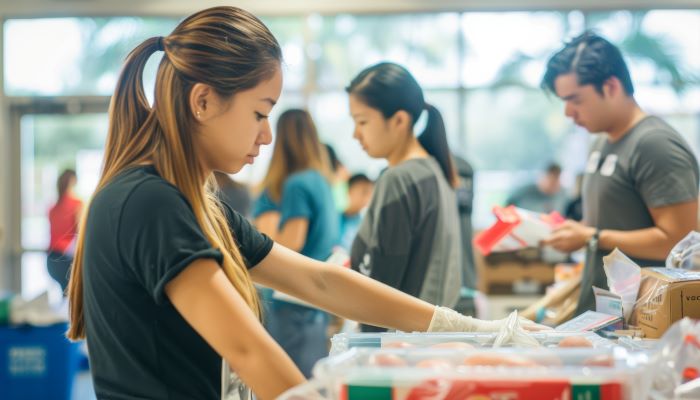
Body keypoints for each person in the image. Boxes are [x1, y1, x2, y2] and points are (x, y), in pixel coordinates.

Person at [66, 7, 545, 400]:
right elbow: (248, 351)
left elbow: (318, 279)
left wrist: (470, 328)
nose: (267, 134)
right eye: (259, 112)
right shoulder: (149, 202)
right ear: (204, 102)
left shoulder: (193, 205)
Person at [541, 31, 699, 315]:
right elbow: (604, 223)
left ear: (611, 86)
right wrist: (569, 231)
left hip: (644, 320)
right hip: (602, 313)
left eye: (575, 99)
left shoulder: (654, 144)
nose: (568, 112)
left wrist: (592, 236)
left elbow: (680, 242)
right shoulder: (600, 141)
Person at [347, 62, 464, 332]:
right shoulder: (436, 170)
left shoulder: (398, 179)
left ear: (399, 120)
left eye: (362, 121)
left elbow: (381, 290)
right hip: (425, 339)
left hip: (397, 343)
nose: (356, 134)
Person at [253, 109, 338, 377]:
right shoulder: (322, 181)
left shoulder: (296, 185)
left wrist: (253, 235)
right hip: (314, 302)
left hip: (291, 303)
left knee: (294, 385)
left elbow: (291, 243)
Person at [47, 169, 83, 294]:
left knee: (65, 296)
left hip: (51, 260)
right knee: (72, 299)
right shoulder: (77, 204)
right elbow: (80, 234)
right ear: (73, 181)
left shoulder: (52, 208)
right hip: (66, 260)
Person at [338, 173, 374, 251]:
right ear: (350, 191)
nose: (367, 198)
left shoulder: (367, 225)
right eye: (364, 192)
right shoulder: (333, 218)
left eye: (369, 193)